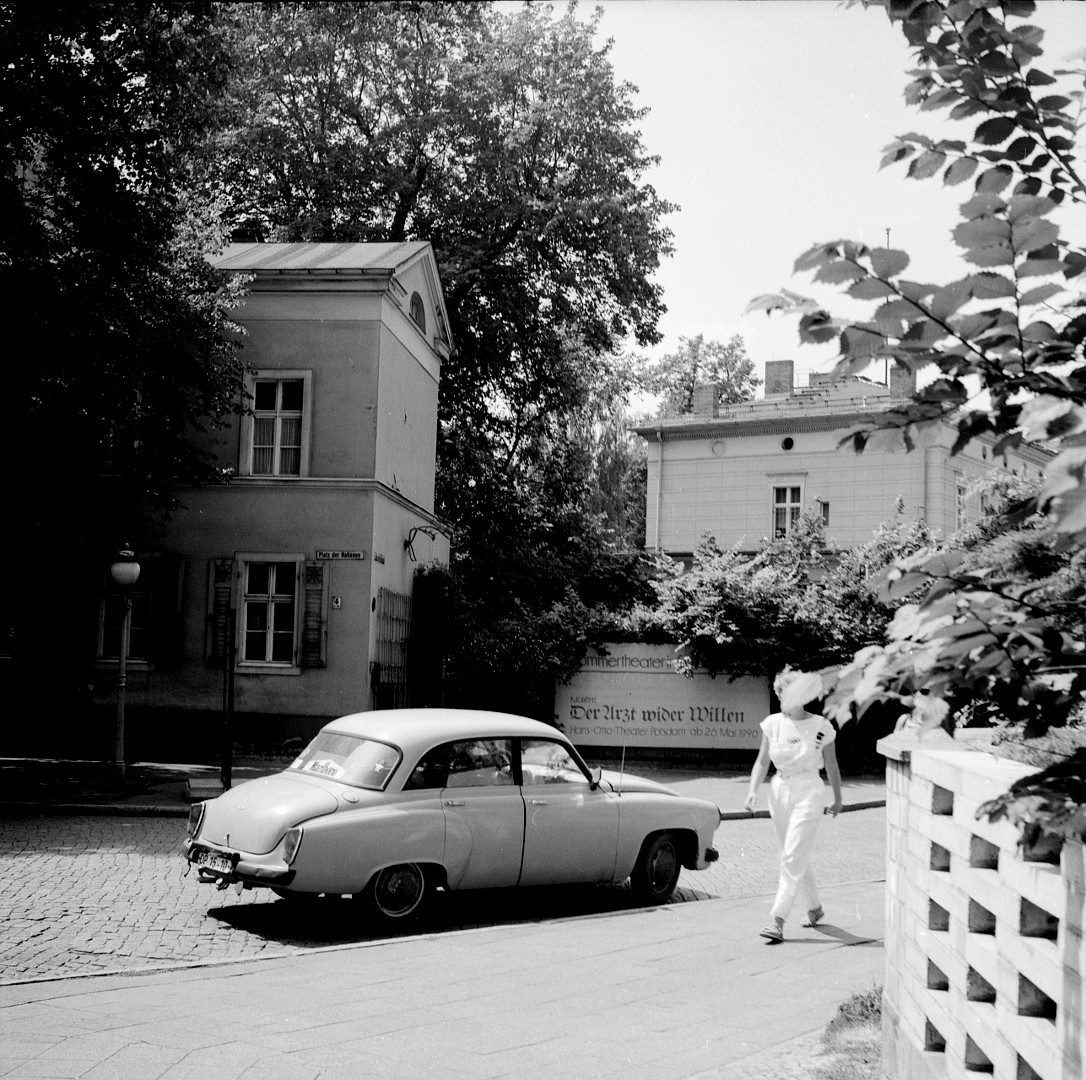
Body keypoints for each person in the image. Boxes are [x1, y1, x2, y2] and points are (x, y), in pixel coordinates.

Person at [744, 668, 843, 943]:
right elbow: (762, 761)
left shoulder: (821, 726)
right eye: (778, 694)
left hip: (809, 790)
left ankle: (777, 920)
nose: (780, 699)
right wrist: (752, 791)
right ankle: (814, 907)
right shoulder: (772, 723)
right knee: (792, 854)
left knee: (791, 856)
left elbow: (832, 764)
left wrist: (838, 797)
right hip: (779, 791)